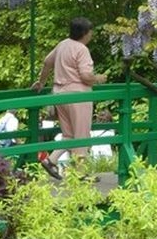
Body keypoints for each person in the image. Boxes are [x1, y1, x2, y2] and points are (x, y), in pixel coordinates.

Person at [31, 17, 107, 179]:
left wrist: (41, 82)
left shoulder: (63, 45)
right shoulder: (81, 49)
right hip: (78, 96)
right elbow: (85, 76)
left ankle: (50, 161)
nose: (91, 34)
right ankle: (80, 173)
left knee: (69, 135)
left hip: (59, 95)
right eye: (90, 31)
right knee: (81, 134)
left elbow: (47, 62)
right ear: (85, 33)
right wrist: (98, 78)